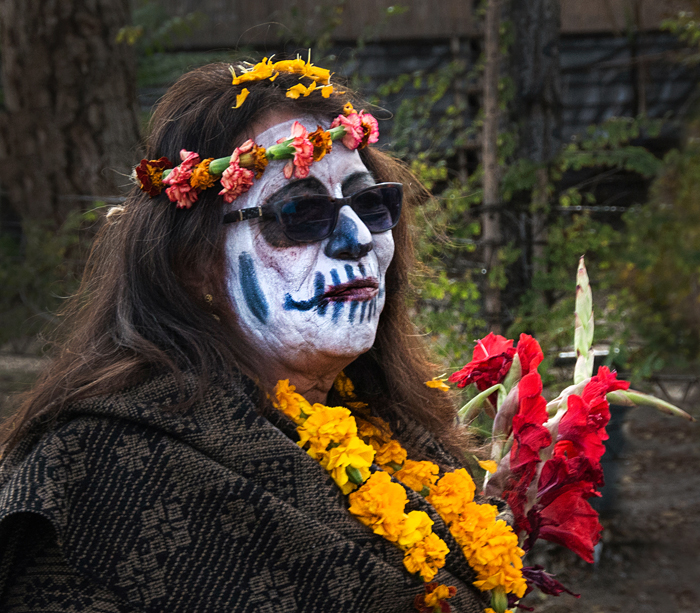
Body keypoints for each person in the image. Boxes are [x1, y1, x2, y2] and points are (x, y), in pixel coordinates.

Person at [0, 60, 498, 612]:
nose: (357, 239)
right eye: (302, 212)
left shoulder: (407, 432)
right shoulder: (98, 467)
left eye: (371, 205)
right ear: (196, 262)